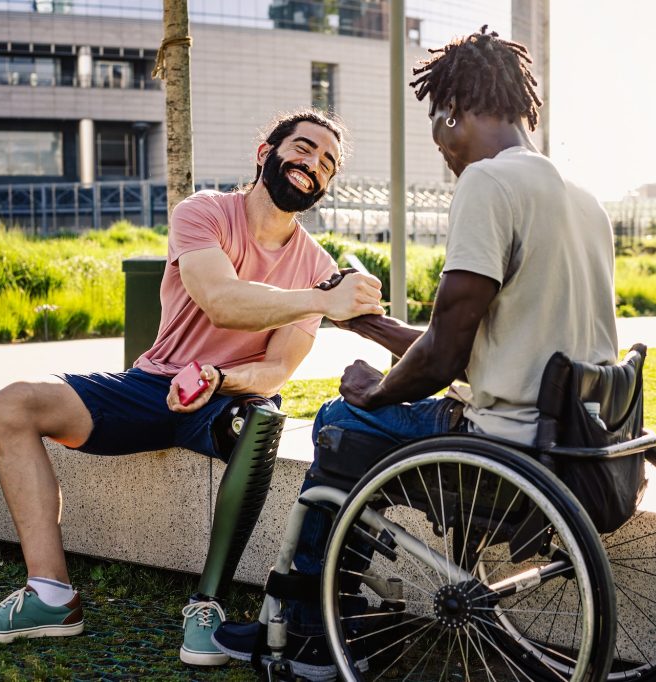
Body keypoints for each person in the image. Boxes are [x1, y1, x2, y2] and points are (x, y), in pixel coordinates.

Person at [212, 26, 620, 680]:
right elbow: (471, 342)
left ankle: (317, 634)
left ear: (449, 112)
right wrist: (367, 324)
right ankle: (346, 605)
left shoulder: (489, 183)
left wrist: (374, 391)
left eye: (438, 130)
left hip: (502, 448)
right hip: (575, 441)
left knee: (340, 423)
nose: (443, 152)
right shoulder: (583, 200)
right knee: (367, 418)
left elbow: (443, 360)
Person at [0, 109, 385, 667]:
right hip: (153, 385)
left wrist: (221, 377)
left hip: (228, 400)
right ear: (265, 151)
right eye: (302, 148)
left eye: (327, 163)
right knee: (13, 403)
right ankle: (51, 596)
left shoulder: (315, 263)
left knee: (263, 416)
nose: (312, 165)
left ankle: (206, 606)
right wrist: (323, 298)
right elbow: (219, 298)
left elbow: (277, 370)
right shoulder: (202, 212)